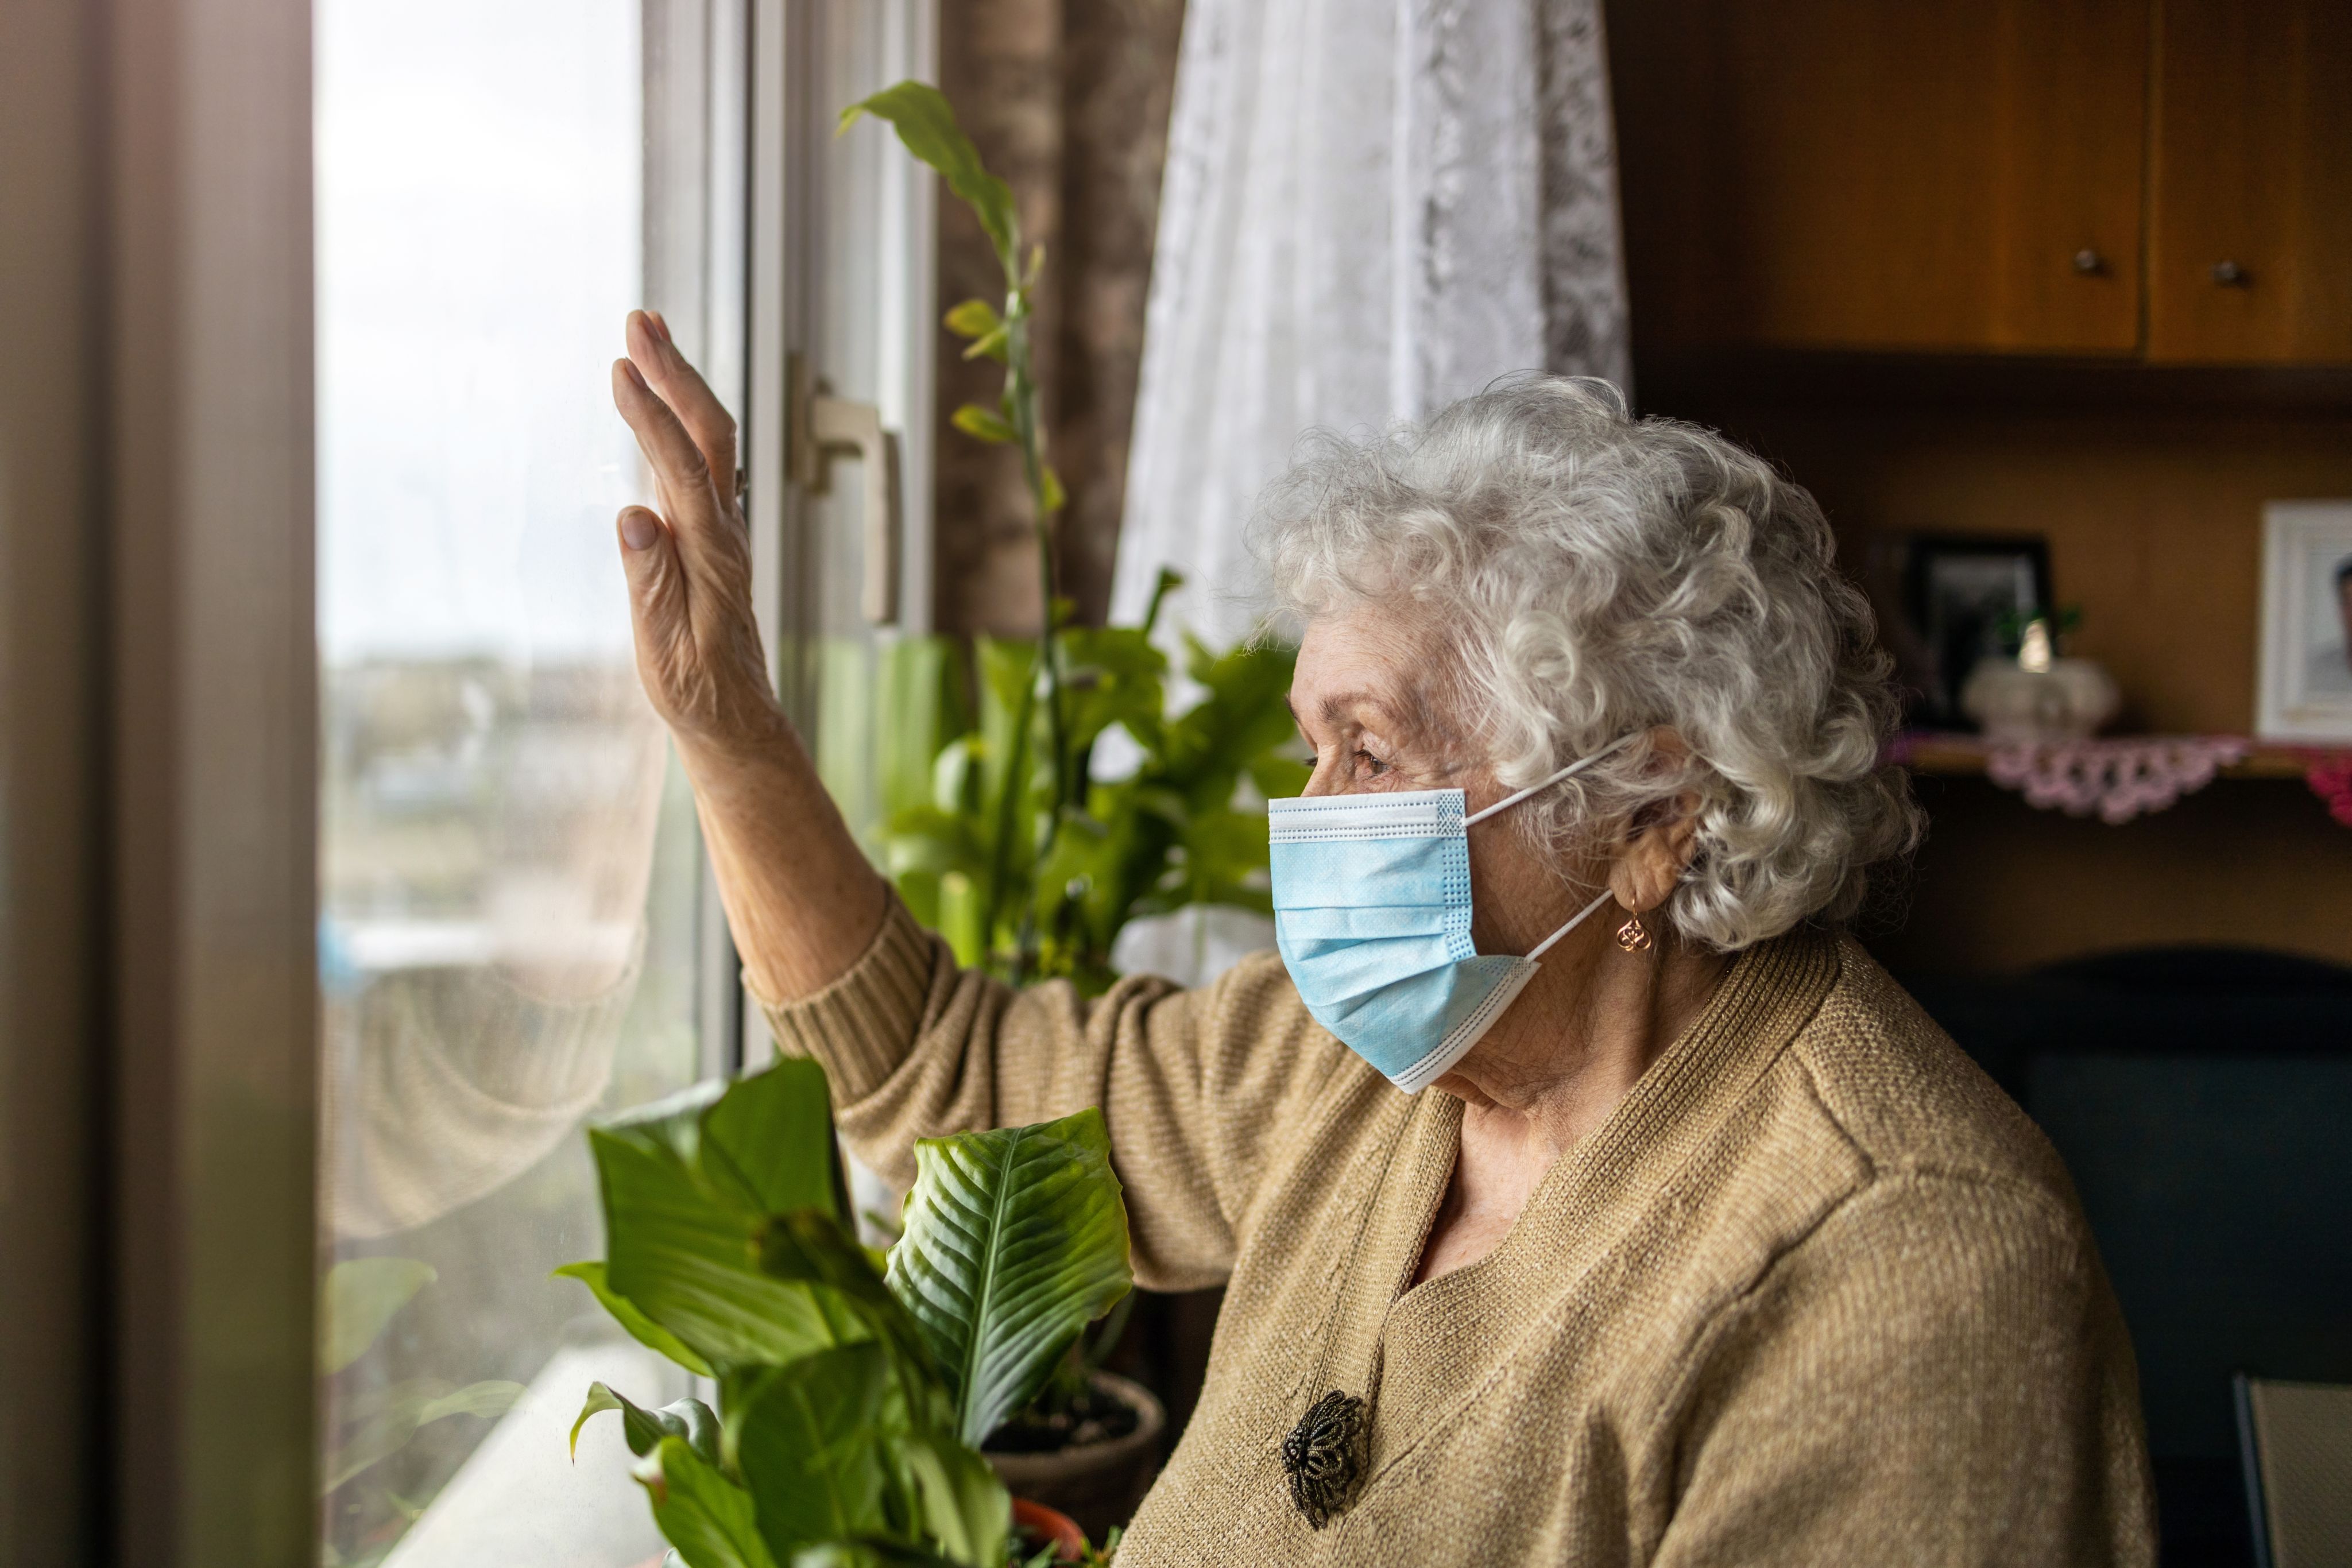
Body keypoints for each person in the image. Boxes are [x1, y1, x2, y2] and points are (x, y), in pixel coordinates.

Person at [605, 309, 2156, 1565]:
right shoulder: (1355, 1057)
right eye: (1312, 746)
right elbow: (954, 1076)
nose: (1316, 811)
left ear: (1650, 805)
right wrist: (729, 731)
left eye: (1372, 746)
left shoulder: (1905, 1268)